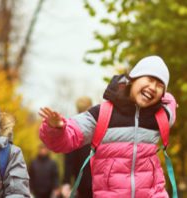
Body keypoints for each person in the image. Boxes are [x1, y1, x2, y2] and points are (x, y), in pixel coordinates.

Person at [38, 55, 178, 197]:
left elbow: (171, 107)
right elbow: (67, 139)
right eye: (150, 79)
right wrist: (56, 129)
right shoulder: (104, 114)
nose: (153, 87)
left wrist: (169, 98)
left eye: (160, 85)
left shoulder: (160, 116)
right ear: (133, 78)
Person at [61, 97, 95, 198]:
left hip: (82, 181)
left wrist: (66, 181)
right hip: (94, 180)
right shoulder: (96, 126)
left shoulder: (72, 127)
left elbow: (69, 160)